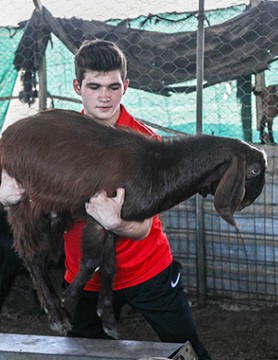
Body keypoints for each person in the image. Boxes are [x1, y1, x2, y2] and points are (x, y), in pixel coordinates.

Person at [63, 39, 212, 360]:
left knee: (188, 351)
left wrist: (115, 222)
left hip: (148, 270)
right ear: (78, 87)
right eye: (95, 86)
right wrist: (7, 199)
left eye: (113, 87)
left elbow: (143, 228)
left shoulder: (147, 142)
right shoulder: (61, 140)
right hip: (87, 278)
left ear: (126, 86)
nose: (105, 96)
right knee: (83, 354)